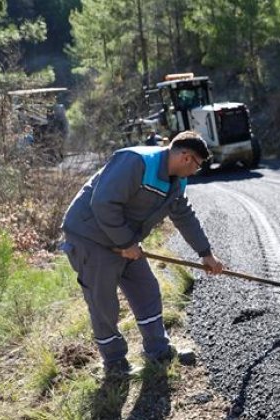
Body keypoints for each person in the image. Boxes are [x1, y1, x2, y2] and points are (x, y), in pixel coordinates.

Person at [60, 130, 224, 377]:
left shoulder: (177, 181)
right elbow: (103, 203)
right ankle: (114, 363)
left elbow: (184, 216)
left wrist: (206, 253)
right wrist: (126, 242)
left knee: (146, 289)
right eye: (198, 166)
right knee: (103, 302)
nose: (195, 172)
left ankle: (158, 349)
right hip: (90, 238)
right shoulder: (135, 161)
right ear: (186, 157)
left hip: (125, 241)